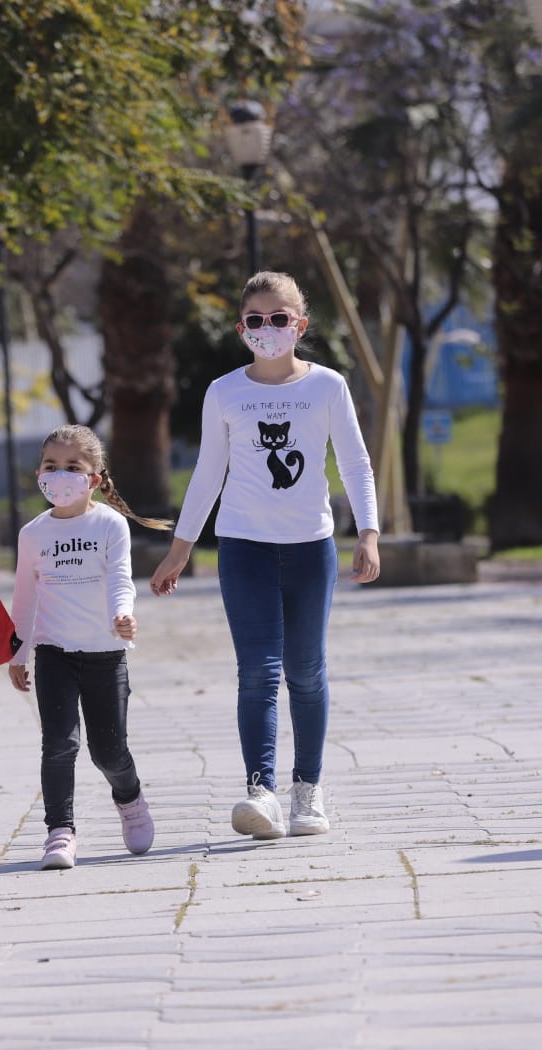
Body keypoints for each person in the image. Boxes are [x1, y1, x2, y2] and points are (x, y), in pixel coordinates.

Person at [150, 271, 380, 841]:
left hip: (310, 547)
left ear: (300, 325)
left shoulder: (328, 386)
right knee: (257, 672)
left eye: (280, 318)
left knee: (306, 670)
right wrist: (180, 549)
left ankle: (308, 791)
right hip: (244, 547)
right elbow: (208, 472)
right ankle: (261, 792)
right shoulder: (225, 391)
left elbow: (354, 462)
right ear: (241, 329)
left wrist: (368, 533)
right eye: (256, 320)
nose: (269, 329)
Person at [8, 425, 171, 870]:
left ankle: (130, 797)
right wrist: (19, 653)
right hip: (54, 654)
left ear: (95, 478)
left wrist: (124, 615)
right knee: (58, 744)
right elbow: (26, 597)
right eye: (51, 466)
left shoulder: (109, 524)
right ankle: (60, 832)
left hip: (105, 654)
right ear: (38, 473)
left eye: (72, 468)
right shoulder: (33, 534)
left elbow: (121, 577)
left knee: (108, 752)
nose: (60, 476)